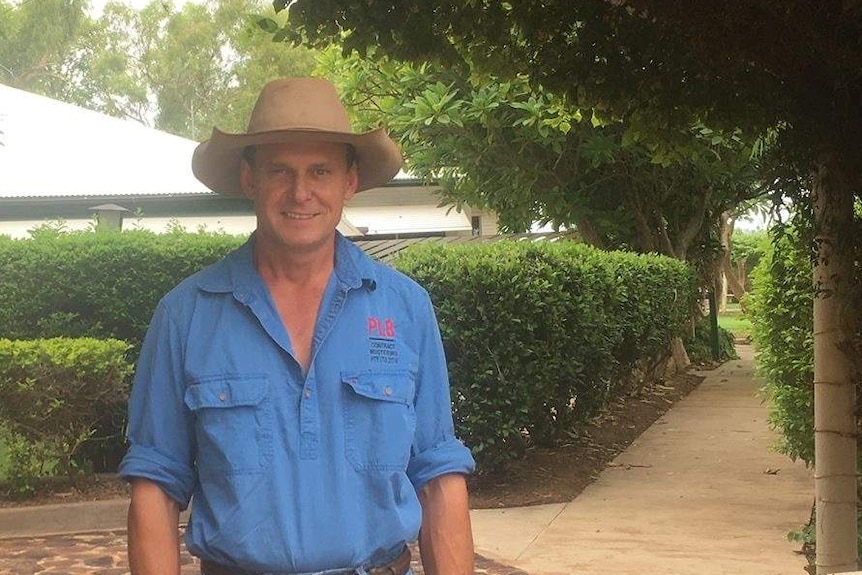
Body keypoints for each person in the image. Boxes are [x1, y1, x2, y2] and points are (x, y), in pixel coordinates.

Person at [118, 77, 476, 575]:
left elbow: (438, 477)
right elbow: (155, 486)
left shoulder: (405, 309)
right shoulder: (186, 315)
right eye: (280, 170)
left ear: (349, 181)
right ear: (249, 180)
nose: (300, 192)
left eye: (320, 171)